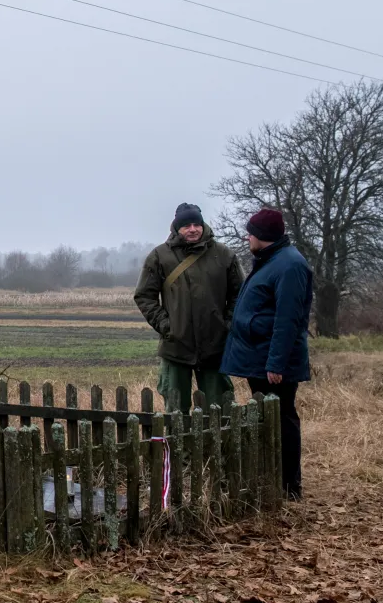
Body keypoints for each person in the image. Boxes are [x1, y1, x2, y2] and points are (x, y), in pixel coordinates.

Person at [221, 207, 312, 499]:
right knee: (267, 417)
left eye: (251, 232)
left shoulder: (289, 266)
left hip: (272, 362)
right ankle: (272, 477)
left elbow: (288, 321)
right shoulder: (271, 260)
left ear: (263, 236)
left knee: (282, 419)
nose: (247, 236)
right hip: (259, 357)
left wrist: (276, 363)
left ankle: (289, 487)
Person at [133, 203, 243, 415]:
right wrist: (167, 326)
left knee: (219, 411)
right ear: (176, 228)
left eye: (196, 224)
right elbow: (144, 295)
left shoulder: (224, 255)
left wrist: (227, 325)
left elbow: (240, 294)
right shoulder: (159, 256)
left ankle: (216, 448)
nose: (193, 229)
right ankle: (177, 448)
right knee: (176, 413)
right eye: (186, 225)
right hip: (176, 346)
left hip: (215, 346)